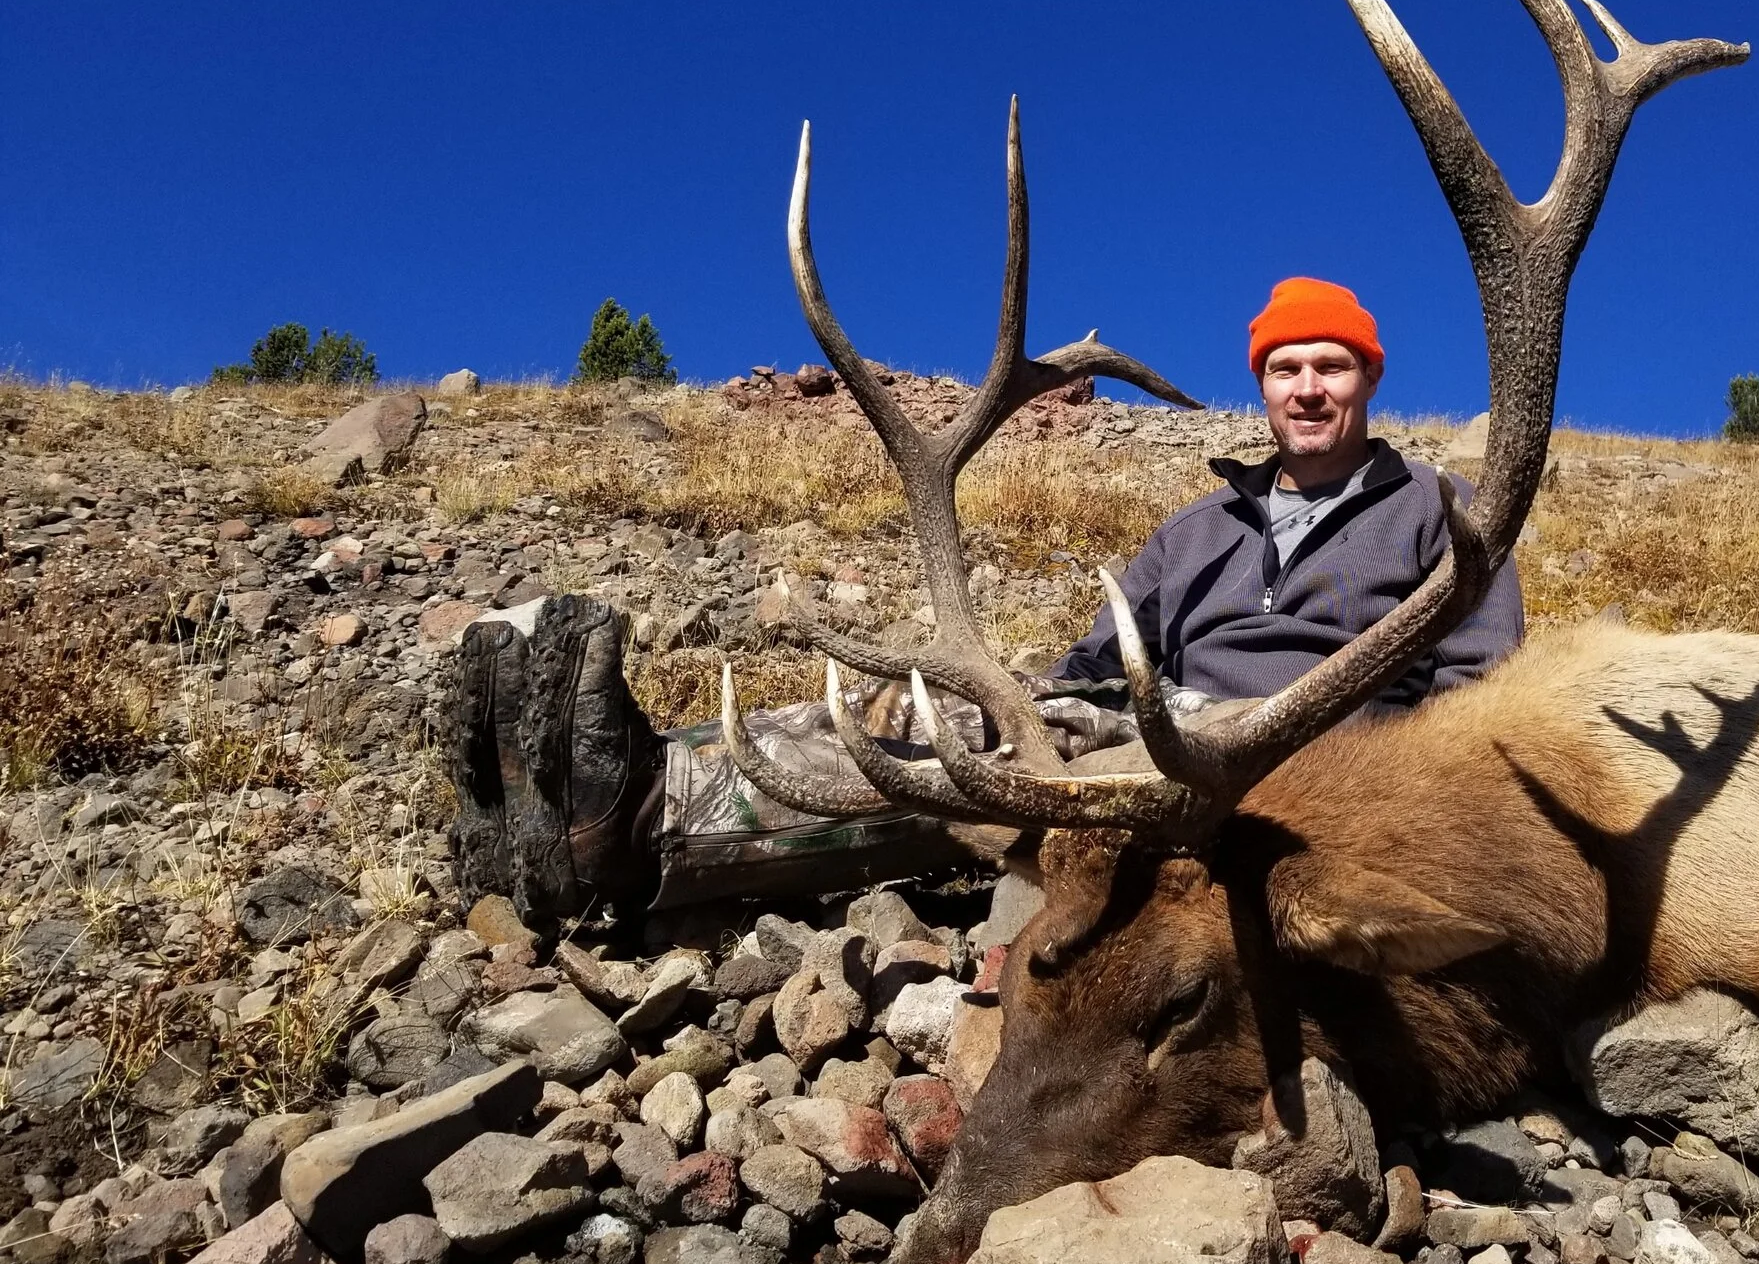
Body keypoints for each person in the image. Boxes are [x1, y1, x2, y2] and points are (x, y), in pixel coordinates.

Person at [449, 276, 1524, 923]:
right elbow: (1094, 669)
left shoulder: (1443, 512)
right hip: (1157, 731)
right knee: (955, 717)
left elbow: (1482, 707)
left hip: (1321, 766)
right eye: (1285, 367)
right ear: (1261, 383)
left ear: (1368, 379)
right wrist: (1023, 703)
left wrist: (1362, 780)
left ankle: (634, 839)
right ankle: (632, 772)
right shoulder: (1198, 530)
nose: (1307, 389)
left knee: (994, 766)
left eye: (1330, 366)